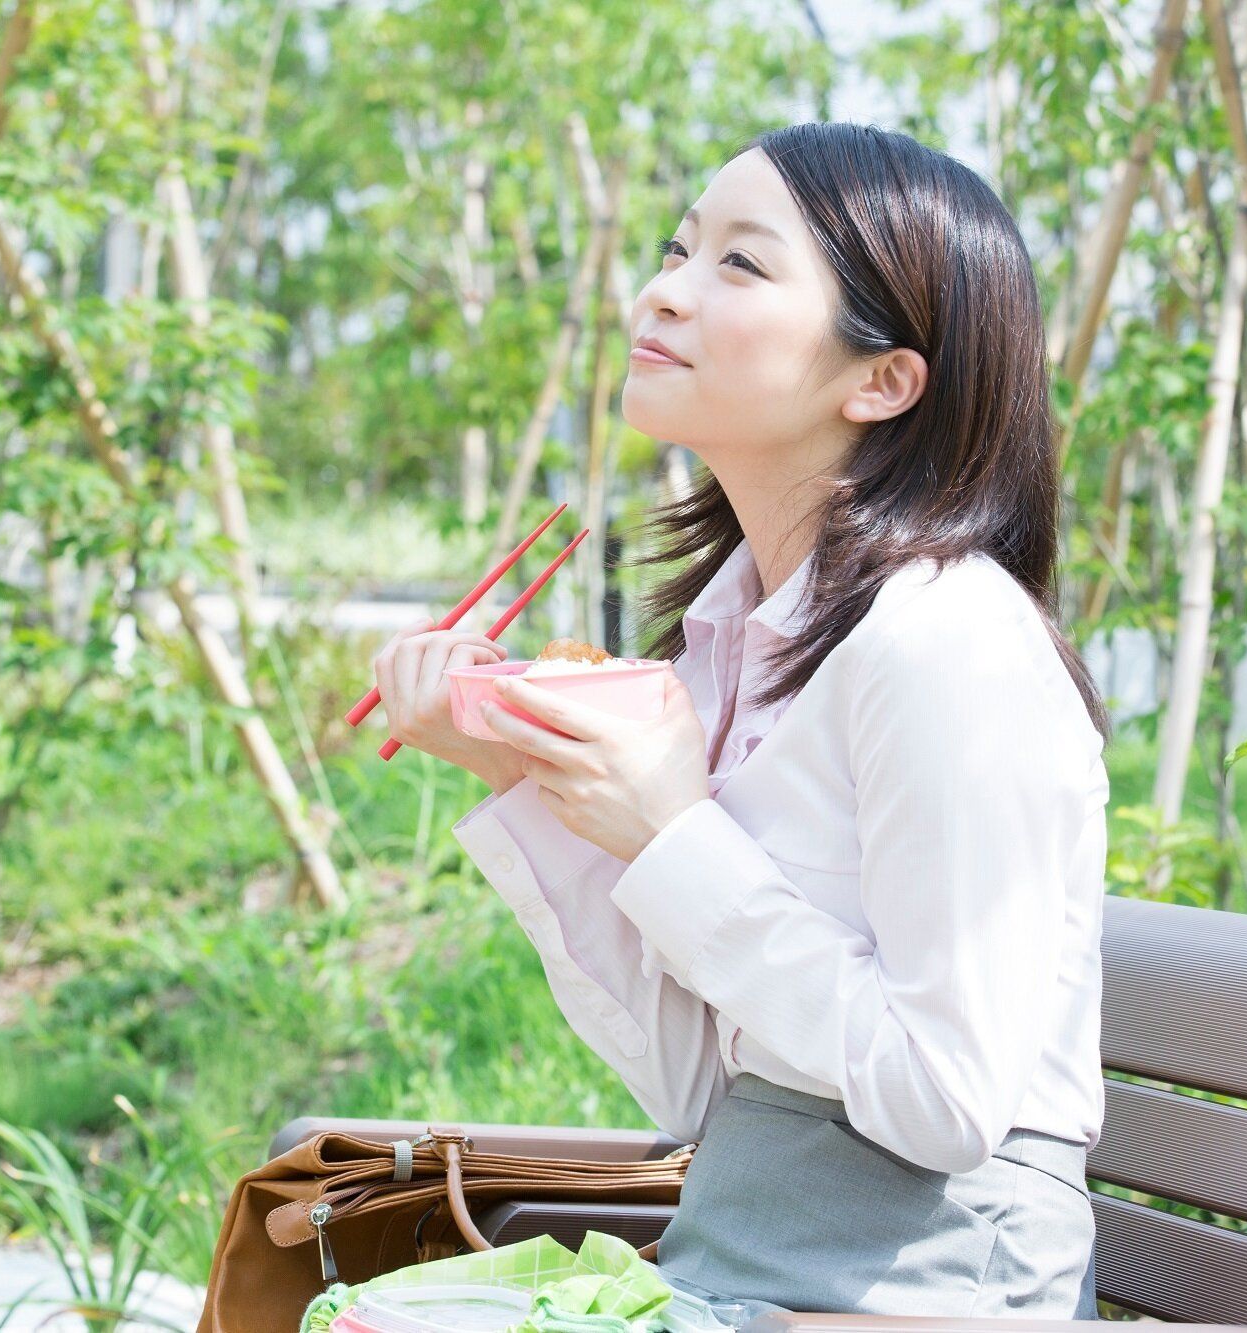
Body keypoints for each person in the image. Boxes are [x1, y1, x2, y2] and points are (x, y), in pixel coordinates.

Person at [370, 122, 1110, 1319]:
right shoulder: (737, 634)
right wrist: (526, 780)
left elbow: (949, 1098)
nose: (660, 291)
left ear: (882, 379)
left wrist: (670, 833)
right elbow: (702, 1091)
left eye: (738, 265)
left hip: (921, 1289)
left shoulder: (946, 643)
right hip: (748, 1255)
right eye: (675, 248)